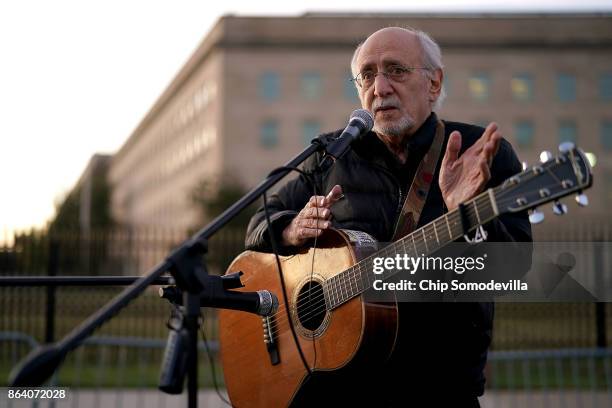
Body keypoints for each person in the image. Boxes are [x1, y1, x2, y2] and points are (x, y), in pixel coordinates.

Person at [245, 27, 532, 407]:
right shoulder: (330, 155)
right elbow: (256, 225)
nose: (379, 88)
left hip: (438, 387)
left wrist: (468, 219)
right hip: (333, 387)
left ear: (434, 83)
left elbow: (512, 268)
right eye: (367, 75)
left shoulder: (479, 155)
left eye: (395, 70)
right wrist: (290, 227)